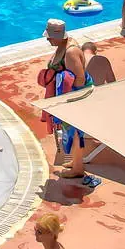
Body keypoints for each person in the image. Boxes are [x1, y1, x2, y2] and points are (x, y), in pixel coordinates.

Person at [38, 20, 91, 178]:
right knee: (71, 131)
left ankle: (78, 169)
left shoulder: (70, 52)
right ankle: (76, 161)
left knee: (75, 132)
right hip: (70, 95)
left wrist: (61, 81)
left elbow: (80, 79)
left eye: (49, 36)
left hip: (76, 96)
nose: (47, 39)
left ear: (58, 36)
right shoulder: (63, 45)